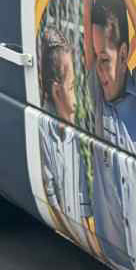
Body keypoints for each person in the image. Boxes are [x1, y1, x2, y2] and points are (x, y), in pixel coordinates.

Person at [85, 0, 136, 270]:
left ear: (125, 55)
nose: (99, 73)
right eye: (95, 60)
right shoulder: (93, 96)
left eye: (105, 61)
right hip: (110, 254)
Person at [37, 27, 92, 250]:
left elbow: (82, 194)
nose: (77, 98)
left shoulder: (72, 134)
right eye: (71, 87)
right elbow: (49, 193)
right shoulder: (43, 130)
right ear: (57, 91)